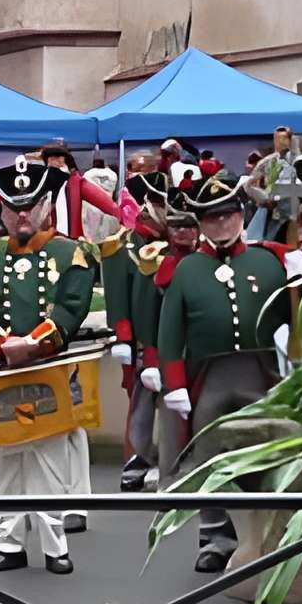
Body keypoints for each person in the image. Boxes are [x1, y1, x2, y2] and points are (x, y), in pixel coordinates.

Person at [151, 172, 290, 572]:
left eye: (228, 215)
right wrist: (173, 383)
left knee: (270, 448)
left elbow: (295, 315)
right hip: (207, 375)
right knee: (205, 453)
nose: (222, 224)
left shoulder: (268, 261)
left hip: (262, 372)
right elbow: (170, 329)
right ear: (201, 223)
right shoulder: (186, 269)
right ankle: (214, 534)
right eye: (212, 218)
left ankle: (267, 531)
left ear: (241, 215)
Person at [0, 161, 98, 575]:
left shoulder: (68, 253)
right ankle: (9, 544)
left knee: (49, 462)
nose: (21, 216)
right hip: (0, 372)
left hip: (47, 371)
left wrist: (34, 343)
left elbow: (72, 308)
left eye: (29, 207)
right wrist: (0, 342)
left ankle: (55, 546)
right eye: (12, 208)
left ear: (45, 206)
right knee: (6, 463)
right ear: (2, 211)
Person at [105, 201, 194, 491]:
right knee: (143, 408)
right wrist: (147, 350)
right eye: (177, 226)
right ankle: (136, 462)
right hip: (155, 346)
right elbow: (144, 308)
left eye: (189, 226)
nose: (182, 233)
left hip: (193, 348)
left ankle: (177, 468)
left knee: (182, 412)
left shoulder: (203, 258)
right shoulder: (152, 256)